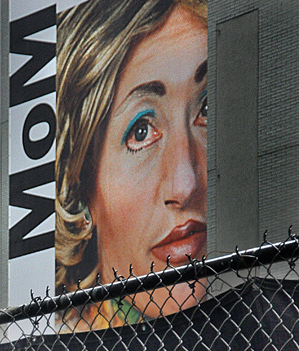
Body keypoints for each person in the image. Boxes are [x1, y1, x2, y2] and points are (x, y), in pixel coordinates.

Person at [56, 0, 207, 329]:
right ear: (82, 190)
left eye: (207, 109)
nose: (185, 185)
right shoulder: (61, 347)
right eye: (141, 132)